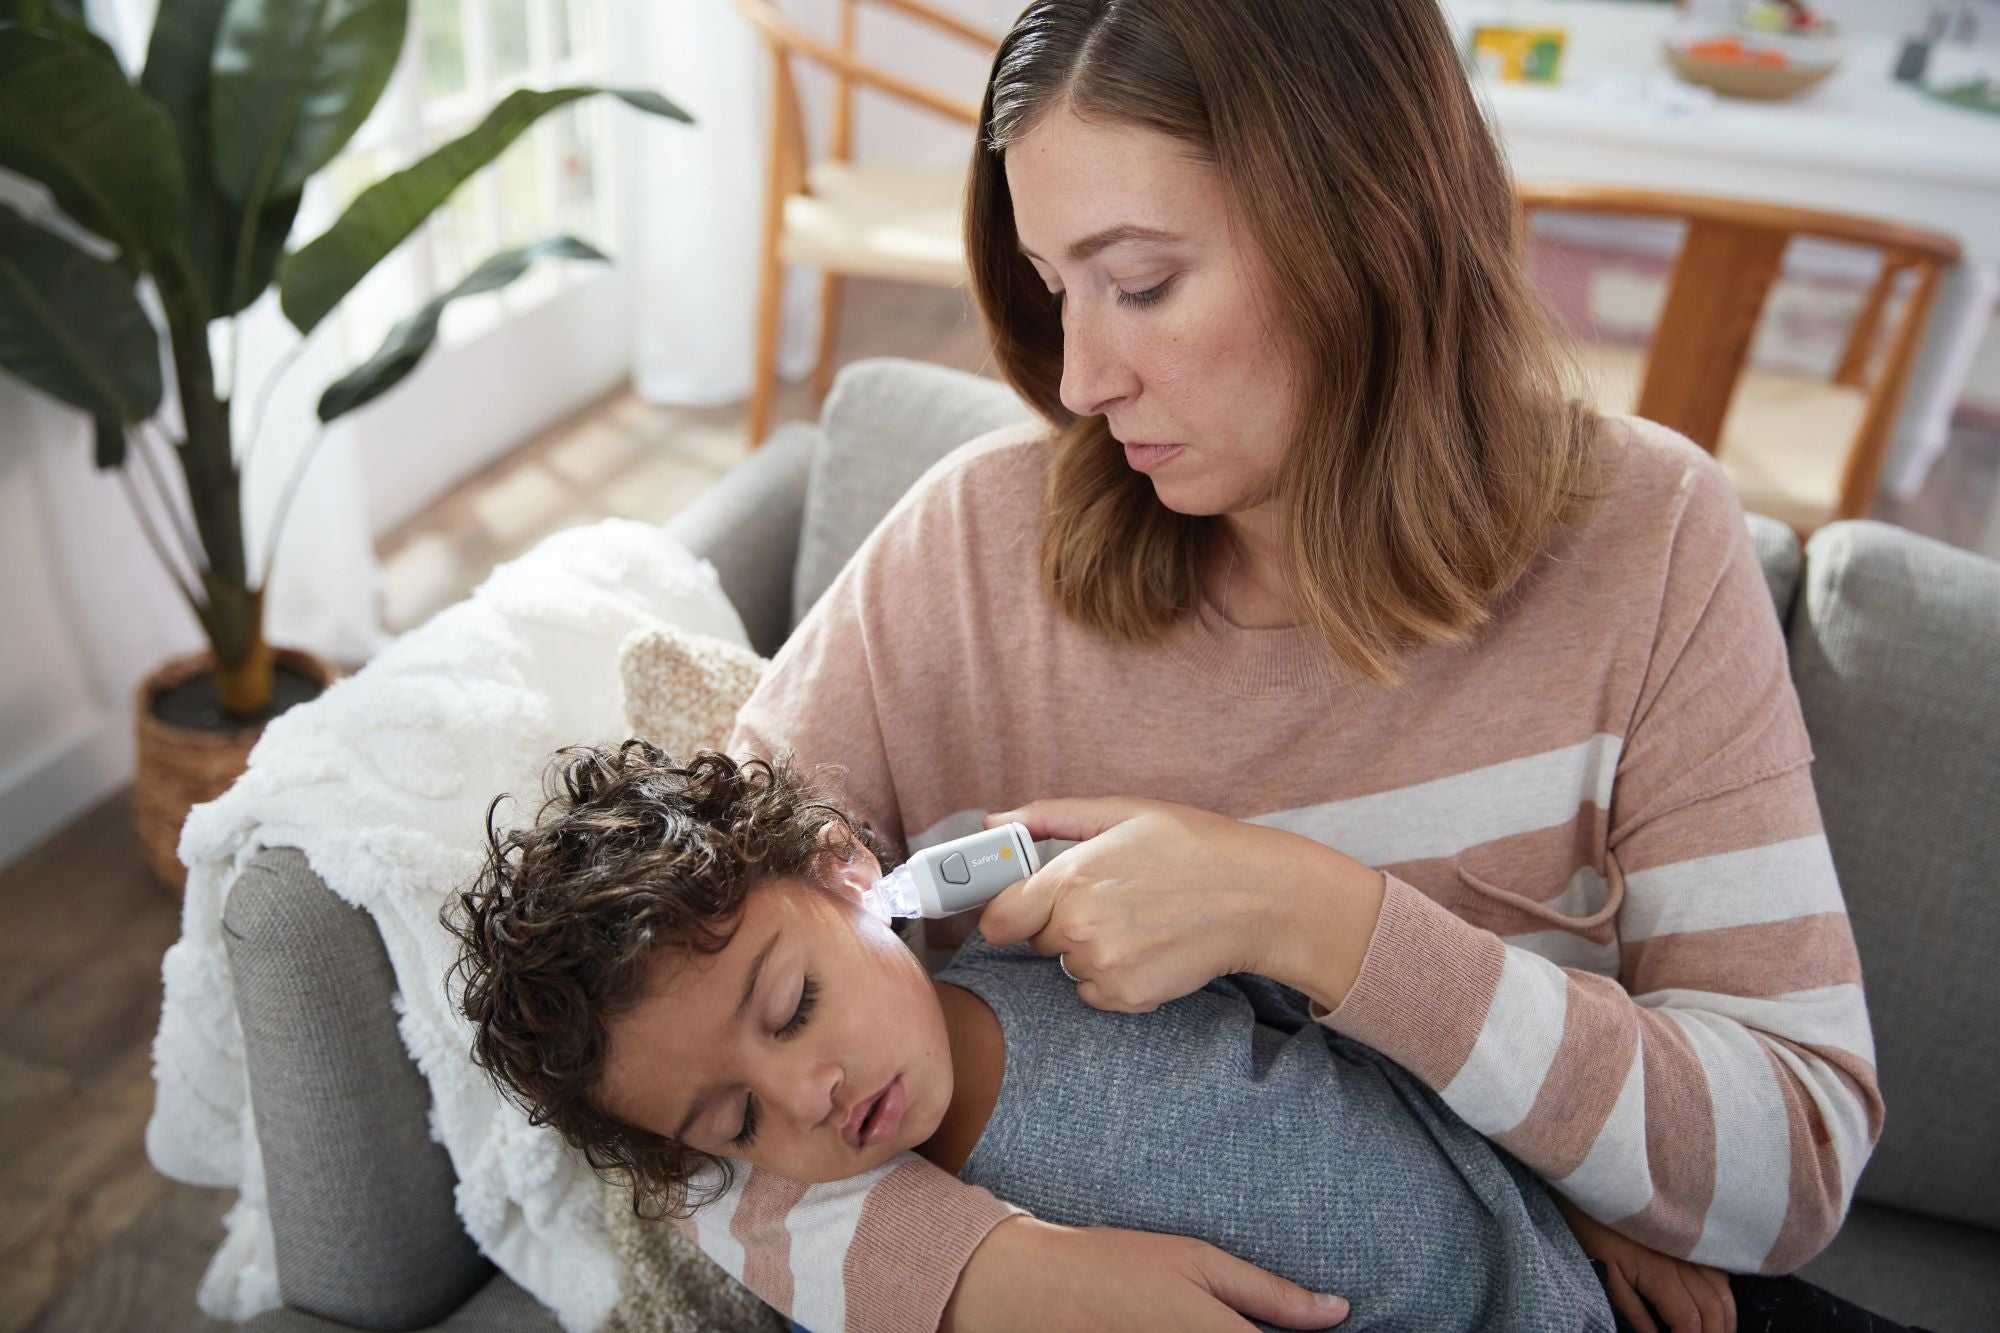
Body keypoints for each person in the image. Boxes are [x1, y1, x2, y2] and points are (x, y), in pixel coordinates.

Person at [701, 2, 1886, 1330]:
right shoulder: (967, 559)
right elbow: (655, 1054)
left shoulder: (1648, 540)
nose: (1083, 375)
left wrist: (1313, 916)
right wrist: (988, 1278)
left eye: (1140, 282)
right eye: (1054, 289)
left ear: (1365, 225)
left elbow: (1794, 1162)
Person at [446, 744, 1917, 1333]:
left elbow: (1357, 1029)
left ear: (848, 874)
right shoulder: (900, 1248)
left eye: (794, 1007)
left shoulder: (1044, 927)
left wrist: (1604, 1198)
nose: (810, 1099)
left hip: (1574, 1265)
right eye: (738, 1118)